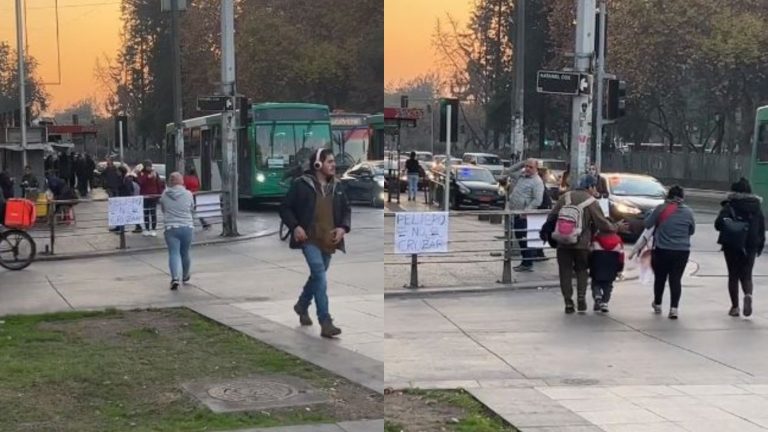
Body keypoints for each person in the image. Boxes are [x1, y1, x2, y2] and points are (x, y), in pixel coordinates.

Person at [279, 148, 351, 338]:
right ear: (317, 164)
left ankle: (302, 305)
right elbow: (285, 208)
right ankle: (325, 321)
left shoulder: (337, 186)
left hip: (329, 240)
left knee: (317, 277)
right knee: (319, 273)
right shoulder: (301, 185)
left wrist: (343, 228)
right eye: (329, 161)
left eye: (333, 161)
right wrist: (295, 227)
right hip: (308, 239)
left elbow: (346, 211)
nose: (333, 165)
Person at [545, 176, 619, 313]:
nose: (595, 189)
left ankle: (568, 302)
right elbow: (602, 223)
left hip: (562, 242)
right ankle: (581, 298)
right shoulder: (591, 202)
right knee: (581, 271)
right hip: (581, 244)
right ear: (590, 187)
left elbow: (552, 216)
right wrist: (615, 228)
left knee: (565, 272)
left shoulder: (565, 197)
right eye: (594, 187)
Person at [714, 178, 765, 317]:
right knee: (747, 275)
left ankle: (735, 307)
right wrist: (760, 244)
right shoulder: (756, 206)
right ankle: (748, 294)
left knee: (733, 275)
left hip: (732, 245)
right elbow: (762, 227)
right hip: (751, 246)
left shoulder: (730, 205)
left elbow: (718, 224)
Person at [645, 185, 695, 319]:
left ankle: (658, 304)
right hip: (682, 251)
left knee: (660, 278)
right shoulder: (688, 212)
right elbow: (691, 230)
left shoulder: (661, 209)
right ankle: (674, 309)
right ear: (682, 198)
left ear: (668, 196)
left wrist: (651, 215)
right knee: (675, 279)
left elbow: (647, 224)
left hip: (662, 249)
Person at [158, 172, 195, 291]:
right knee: (185, 253)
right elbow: (192, 208)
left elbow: (163, 209)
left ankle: (174, 278)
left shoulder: (164, 194)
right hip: (187, 226)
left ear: (170, 182)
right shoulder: (188, 194)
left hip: (171, 228)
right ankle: (185, 276)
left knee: (174, 253)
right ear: (181, 181)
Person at [508, 158, 545, 272]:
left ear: (536, 168)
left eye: (531, 167)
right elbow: (509, 171)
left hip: (524, 215)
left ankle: (527, 262)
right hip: (515, 212)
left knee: (524, 239)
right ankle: (525, 262)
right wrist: (521, 163)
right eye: (527, 166)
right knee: (520, 238)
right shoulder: (521, 176)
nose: (528, 169)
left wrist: (526, 210)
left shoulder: (537, 182)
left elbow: (537, 200)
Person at [589, 230, 625, 313]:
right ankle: (604, 302)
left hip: (597, 264)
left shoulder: (596, 238)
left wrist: (589, 264)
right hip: (612, 266)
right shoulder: (618, 239)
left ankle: (597, 296)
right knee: (608, 286)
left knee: (595, 283)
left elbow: (590, 252)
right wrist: (620, 268)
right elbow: (621, 255)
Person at [137, 160, 165, 236]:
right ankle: (146, 229)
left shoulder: (155, 173)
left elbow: (159, 184)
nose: (149, 167)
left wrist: (160, 194)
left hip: (153, 196)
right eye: (147, 166)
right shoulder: (141, 173)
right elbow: (140, 182)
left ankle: (153, 229)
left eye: (150, 166)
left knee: (153, 213)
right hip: (145, 196)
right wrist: (147, 177)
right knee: (145, 212)